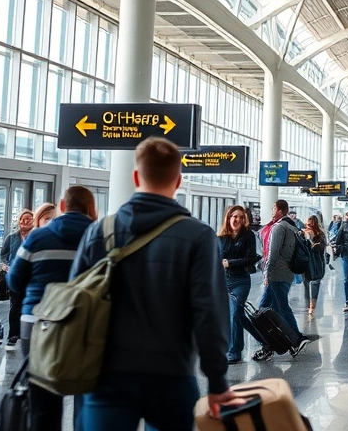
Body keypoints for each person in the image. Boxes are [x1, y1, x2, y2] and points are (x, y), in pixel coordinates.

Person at [70, 137, 237, 427]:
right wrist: (217, 381)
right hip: (172, 376)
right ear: (178, 180)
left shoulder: (100, 231)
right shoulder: (198, 236)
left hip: (106, 374)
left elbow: (74, 301)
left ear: (136, 176)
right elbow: (208, 312)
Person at [7, 186, 97, 430]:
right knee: (87, 392)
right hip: (86, 325)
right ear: (92, 210)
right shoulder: (100, 238)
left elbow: (14, 281)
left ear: (62, 207)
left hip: (37, 323)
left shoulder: (38, 237)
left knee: (43, 396)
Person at [255, 200, 312, 361]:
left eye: (273, 208)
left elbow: (273, 253)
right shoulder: (293, 227)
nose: (272, 211)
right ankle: (272, 343)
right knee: (265, 308)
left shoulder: (279, 227)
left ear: (279, 210)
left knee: (280, 307)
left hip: (277, 274)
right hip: (286, 273)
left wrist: (266, 273)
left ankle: (297, 338)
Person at [218, 205, 261, 364]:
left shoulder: (248, 235)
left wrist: (230, 262)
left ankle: (234, 352)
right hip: (224, 282)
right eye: (234, 217)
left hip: (241, 281)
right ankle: (263, 340)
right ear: (228, 218)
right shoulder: (221, 237)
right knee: (238, 316)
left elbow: (251, 258)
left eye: (241, 217)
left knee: (235, 314)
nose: (237, 220)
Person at [0, 208, 34, 351]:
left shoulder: (37, 236)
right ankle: (13, 335)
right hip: (15, 276)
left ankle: (30, 336)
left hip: (32, 277)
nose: (25, 222)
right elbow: (3, 256)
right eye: (22, 219)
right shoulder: (11, 237)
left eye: (28, 219)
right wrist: (6, 266)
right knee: (15, 306)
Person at [304, 214, 327, 316]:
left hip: (317, 262)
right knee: (306, 283)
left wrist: (313, 240)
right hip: (307, 262)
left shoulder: (320, 234)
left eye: (310, 225)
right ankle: (309, 305)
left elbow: (322, 247)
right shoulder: (303, 233)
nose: (308, 227)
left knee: (314, 282)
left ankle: (312, 305)